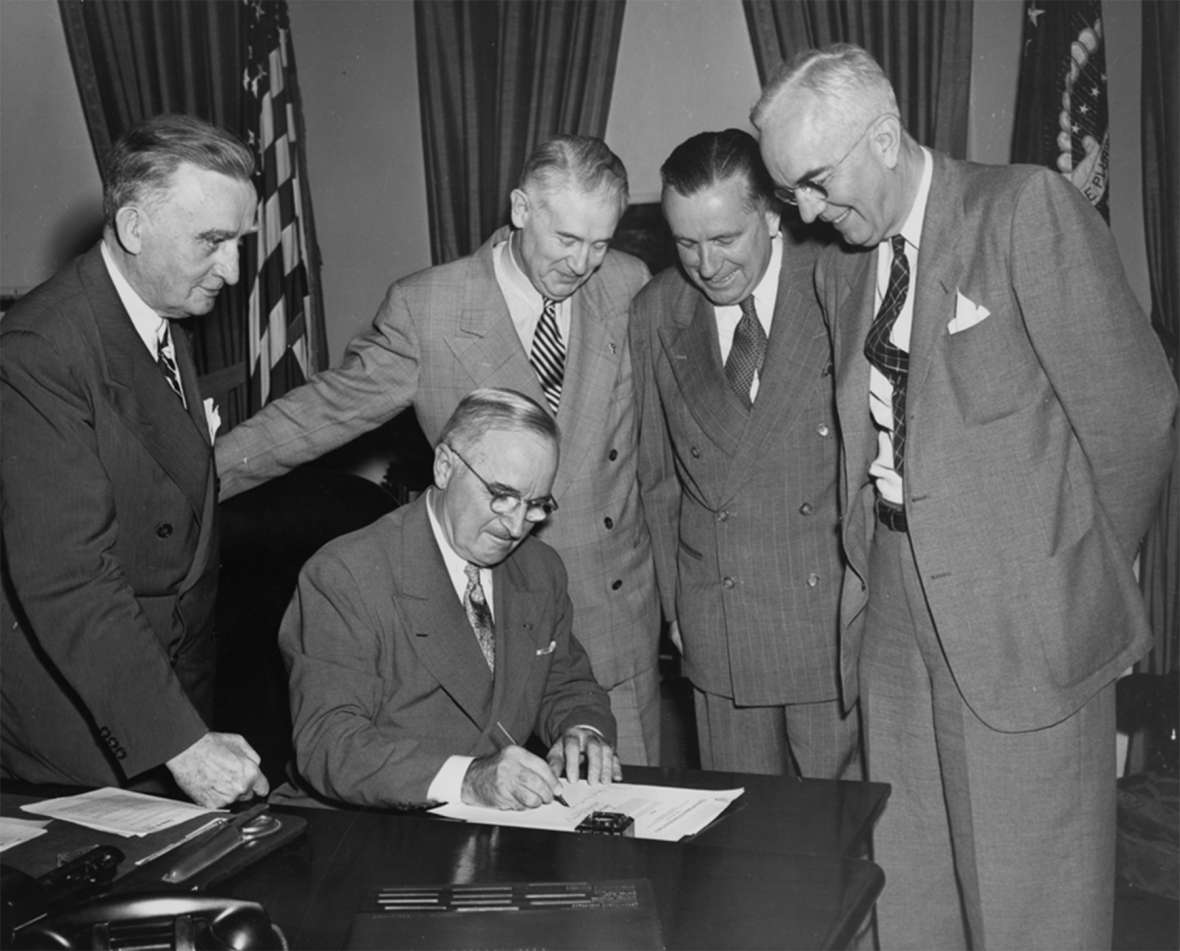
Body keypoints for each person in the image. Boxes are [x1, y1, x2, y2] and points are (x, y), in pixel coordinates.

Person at [752, 43, 1178, 950]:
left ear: (886, 134)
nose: (808, 213)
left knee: (1033, 908)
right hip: (896, 612)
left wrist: (1073, 577)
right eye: (792, 193)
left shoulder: (1022, 210)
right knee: (912, 898)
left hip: (1029, 623)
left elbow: (1136, 417)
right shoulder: (839, 261)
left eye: (818, 183)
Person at [216, 136, 660, 765]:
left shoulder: (628, 283)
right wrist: (200, 479)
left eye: (600, 243)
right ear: (521, 209)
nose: (583, 264)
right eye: (566, 240)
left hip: (612, 618)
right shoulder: (429, 307)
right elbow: (324, 411)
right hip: (486, 623)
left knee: (627, 832)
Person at [1, 114, 270, 808]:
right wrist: (178, 741)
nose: (234, 271)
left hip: (164, 700)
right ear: (133, 227)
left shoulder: (160, 315)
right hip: (81, 727)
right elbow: (69, 578)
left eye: (239, 242)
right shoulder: (41, 349)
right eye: (212, 242)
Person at [630, 130, 858, 779]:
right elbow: (658, 482)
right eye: (685, 243)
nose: (706, 265)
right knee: (742, 840)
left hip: (828, 620)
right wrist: (679, 613)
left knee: (838, 834)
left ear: (772, 213)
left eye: (726, 238)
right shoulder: (656, 311)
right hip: (720, 630)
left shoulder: (838, 282)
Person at [279, 388, 620, 808]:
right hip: (373, 821)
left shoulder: (539, 569)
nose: (515, 527)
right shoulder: (346, 575)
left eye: (534, 506)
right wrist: (469, 778)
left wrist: (583, 731)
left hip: (500, 822)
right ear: (444, 467)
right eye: (501, 495)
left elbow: (566, 682)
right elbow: (330, 743)